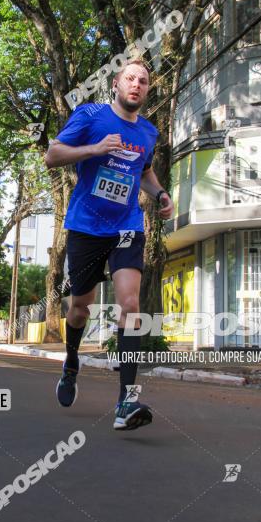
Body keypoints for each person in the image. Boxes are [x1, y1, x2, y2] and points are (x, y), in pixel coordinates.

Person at [44, 59, 174, 431]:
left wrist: (161, 193)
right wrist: (95, 149)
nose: (136, 85)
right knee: (80, 308)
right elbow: (52, 156)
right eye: (130, 78)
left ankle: (125, 404)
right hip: (85, 226)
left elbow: (144, 169)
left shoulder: (149, 132)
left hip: (126, 225)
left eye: (144, 81)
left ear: (147, 90)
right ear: (116, 84)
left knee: (130, 305)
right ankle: (71, 363)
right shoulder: (91, 115)